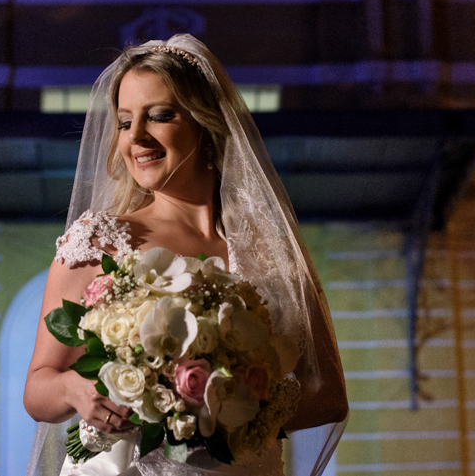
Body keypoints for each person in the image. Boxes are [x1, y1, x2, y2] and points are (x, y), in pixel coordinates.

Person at [24, 35, 347, 475]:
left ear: (205, 124)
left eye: (159, 116)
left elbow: (328, 396)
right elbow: (38, 389)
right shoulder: (98, 241)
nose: (136, 136)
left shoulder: (274, 255)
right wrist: (75, 390)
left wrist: (228, 411)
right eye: (124, 122)